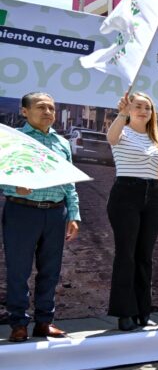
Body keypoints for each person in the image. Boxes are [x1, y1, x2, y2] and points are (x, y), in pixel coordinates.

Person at [1, 92, 81, 342]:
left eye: (51, 108)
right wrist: (15, 187)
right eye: (41, 107)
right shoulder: (15, 140)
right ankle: (18, 323)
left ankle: (44, 322)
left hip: (56, 213)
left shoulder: (62, 143)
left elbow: (69, 183)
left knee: (51, 270)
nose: (48, 112)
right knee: (19, 270)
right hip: (21, 211)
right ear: (24, 111)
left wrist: (74, 214)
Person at [106, 91, 158, 332]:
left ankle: (143, 311)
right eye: (138, 106)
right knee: (126, 254)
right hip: (125, 195)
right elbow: (110, 137)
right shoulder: (121, 132)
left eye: (148, 107)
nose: (144, 111)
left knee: (145, 256)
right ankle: (125, 313)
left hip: (152, 198)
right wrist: (121, 114)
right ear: (129, 109)